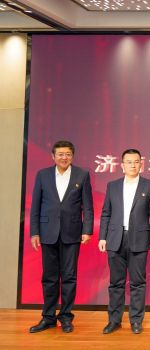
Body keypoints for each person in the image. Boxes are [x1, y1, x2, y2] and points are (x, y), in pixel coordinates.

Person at [29, 140, 94, 334]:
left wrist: (87, 230)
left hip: (72, 233)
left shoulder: (82, 175)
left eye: (67, 154)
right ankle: (48, 317)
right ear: (53, 156)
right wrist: (34, 232)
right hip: (47, 232)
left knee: (69, 277)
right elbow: (35, 206)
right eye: (60, 154)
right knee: (49, 278)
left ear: (72, 156)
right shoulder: (43, 175)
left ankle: (65, 317)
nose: (64, 157)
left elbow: (88, 206)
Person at [98, 149, 150, 335]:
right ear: (122, 165)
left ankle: (136, 320)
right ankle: (114, 321)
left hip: (139, 240)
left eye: (136, 162)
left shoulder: (149, 187)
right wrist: (102, 237)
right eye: (129, 162)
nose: (133, 165)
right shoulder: (113, 186)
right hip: (115, 239)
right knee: (115, 283)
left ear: (141, 164)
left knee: (137, 283)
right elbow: (106, 213)